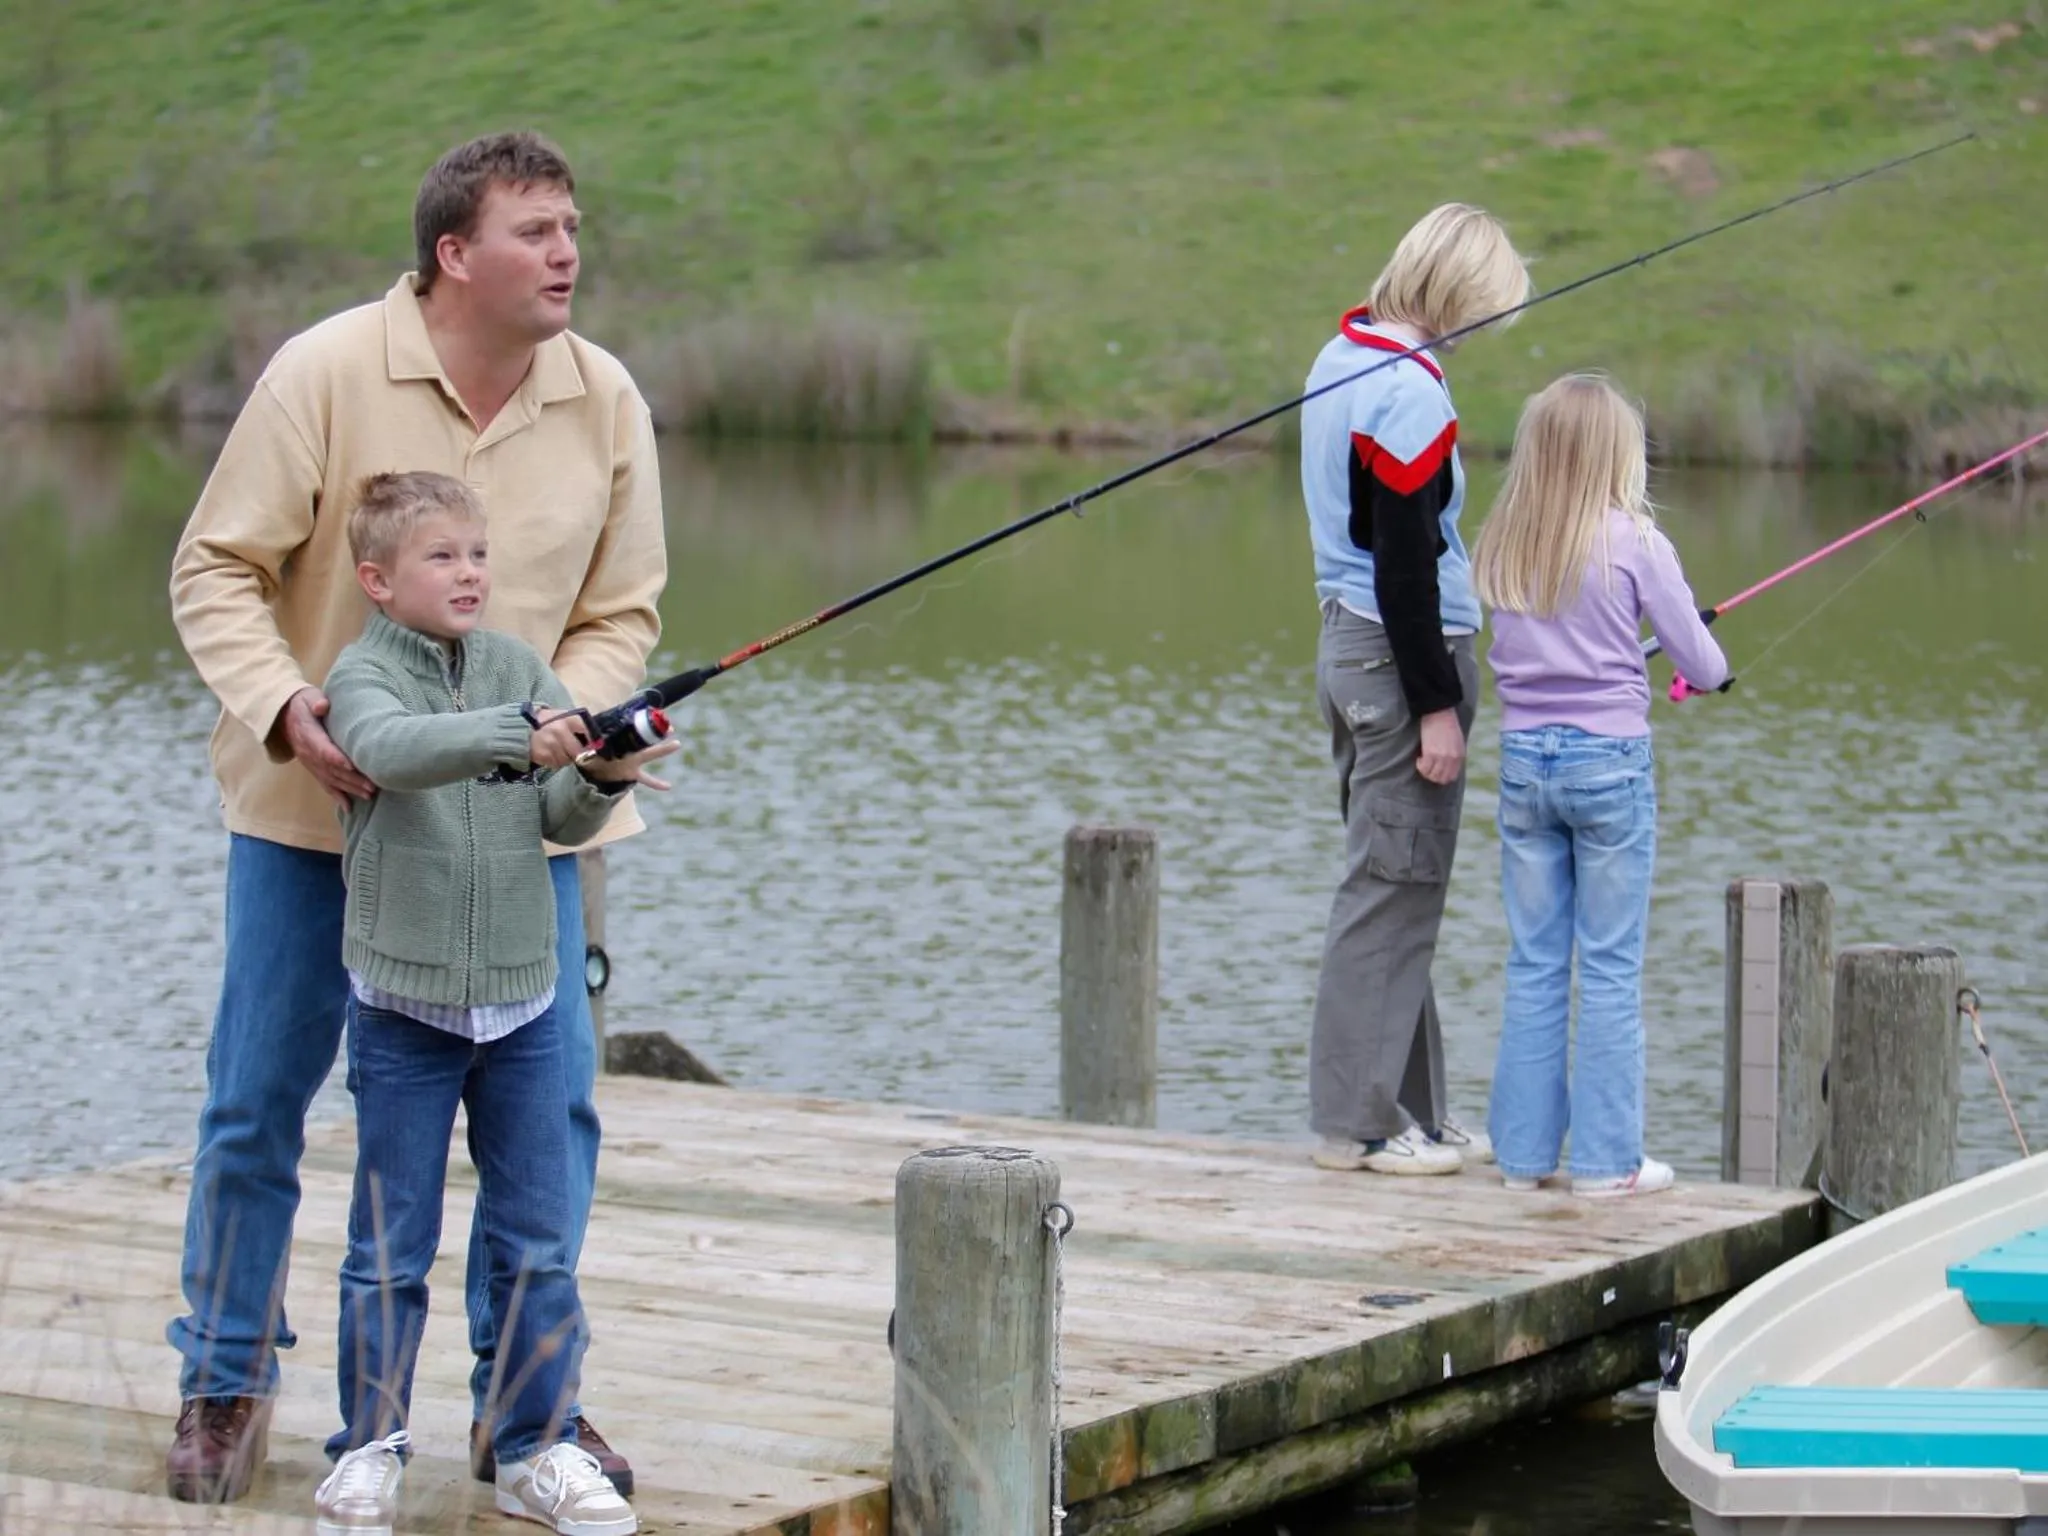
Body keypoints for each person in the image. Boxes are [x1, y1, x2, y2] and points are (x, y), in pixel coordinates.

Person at [166, 130, 665, 1502]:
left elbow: (626, 610)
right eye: (538, 230)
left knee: (550, 1125)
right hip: (310, 816)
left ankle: (530, 1414)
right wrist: (286, 707)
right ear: (456, 253)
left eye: (574, 226)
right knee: (257, 1106)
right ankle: (222, 1376)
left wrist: (579, 716)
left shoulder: (607, 397)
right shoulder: (325, 372)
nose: (569, 252)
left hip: (521, 836)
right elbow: (215, 568)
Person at [311, 471, 667, 1536]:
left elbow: (554, 810)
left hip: (522, 1006)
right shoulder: (362, 675)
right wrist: (522, 734)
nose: (468, 572)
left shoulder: (518, 665)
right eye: (440, 557)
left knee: (533, 1242)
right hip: (402, 1013)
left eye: (476, 553)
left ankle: (531, 1448)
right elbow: (390, 753)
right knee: (390, 1246)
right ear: (377, 582)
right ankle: (365, 1447)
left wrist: (603, 771)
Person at [1300, 204, 1532, 1176]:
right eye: (1485, 309)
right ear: (1457, 295)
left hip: (1349, 651)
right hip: (1398, 660)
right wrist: (1435, 705)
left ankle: (1413, 1115)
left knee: (1403, 886)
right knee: (1387, 885)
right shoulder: (1410, 397)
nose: (1485, 331)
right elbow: (1400, 567)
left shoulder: (1341, 352)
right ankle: (1356, 1124)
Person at [1470, 373, 1729, 1197]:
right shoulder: (1636, 543)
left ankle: (1522, 1161)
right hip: (1608, 767)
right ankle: (1607, 1163)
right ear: (1620, 455)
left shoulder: (1504, 540)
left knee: (1535, 962)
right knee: (1611, 967)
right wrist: (1706, 676)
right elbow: (1701, 661)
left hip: (1522, 767)